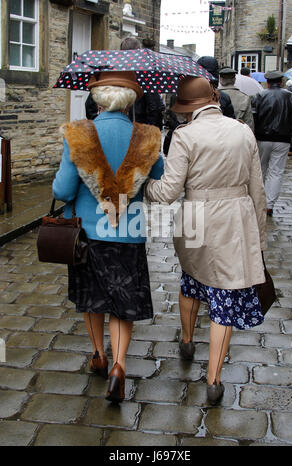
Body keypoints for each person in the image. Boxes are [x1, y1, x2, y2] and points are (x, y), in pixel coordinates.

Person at [145, 76, 267, 405]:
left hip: (195, 221)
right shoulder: (243, 131)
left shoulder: (184, 136)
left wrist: (146, 187)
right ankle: (214, 380)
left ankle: (187, 340)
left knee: (192, 280)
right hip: (235, 221)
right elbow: (258, 190)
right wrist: (260, 239)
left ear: (187, 109)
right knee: (225, 298)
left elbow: (168, 191)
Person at [53, 71, 164, 403]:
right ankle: (119, 366)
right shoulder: (147, 136)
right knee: (122, 304)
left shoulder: (79, 134)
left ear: (98, 98)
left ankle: (99, 355)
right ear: (131, 99)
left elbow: (62, 189)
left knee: (93, 298)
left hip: (87, 234)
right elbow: (156, 177)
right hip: (128, 234)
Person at [85, 36, 165, 129]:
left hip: (111, 128)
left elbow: (90, 106)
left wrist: (101, 126)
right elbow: (155, 109)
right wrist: (148, 134)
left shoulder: (110, 73)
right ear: (139, 51)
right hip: (137, 131)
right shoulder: (144, 75)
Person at [252, 70, 292, 216]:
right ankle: (269, 204)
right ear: (281, 82)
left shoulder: (260, 95)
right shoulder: (291, 96)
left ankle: (258, 202)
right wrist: (291, 131)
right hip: (283, 139)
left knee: (261, 170)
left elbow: (254, 116)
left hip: (263, 138)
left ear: (268, 82)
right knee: (276, 172)